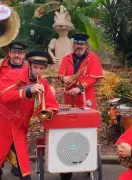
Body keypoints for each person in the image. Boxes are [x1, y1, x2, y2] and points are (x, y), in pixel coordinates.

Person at [0, 51, 59, 180]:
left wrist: (48, 112)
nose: (38, 71)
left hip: (19, 128)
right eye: (35, 67)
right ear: (29, 65)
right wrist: (27, 91)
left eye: (41, 68)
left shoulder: (43, 83)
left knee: (24, 168)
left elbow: (52, 105)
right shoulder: (14, 74)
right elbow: (3, 96)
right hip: (2, 124)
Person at [0, 41, 28, 177]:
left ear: (24, 55)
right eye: (14, 52)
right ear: (9, 53)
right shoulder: (1, 67)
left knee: (17, 142)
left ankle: (17, 166)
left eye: (20, 53)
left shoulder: (30, 70)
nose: (17, 55)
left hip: (19, 113)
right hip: (2, 111)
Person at [58, 33, 103, 109]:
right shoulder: (66, 58)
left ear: (86, 45)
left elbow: (93, 78)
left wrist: (79, 88)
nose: (79, 46)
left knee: (86, 119)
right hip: (70, 95)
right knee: (70, 118)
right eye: (77, 44)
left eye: (82, 44)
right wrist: (63, 78)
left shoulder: (93, 58)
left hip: (86, 95)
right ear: (74, 45)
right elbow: (60, 75)